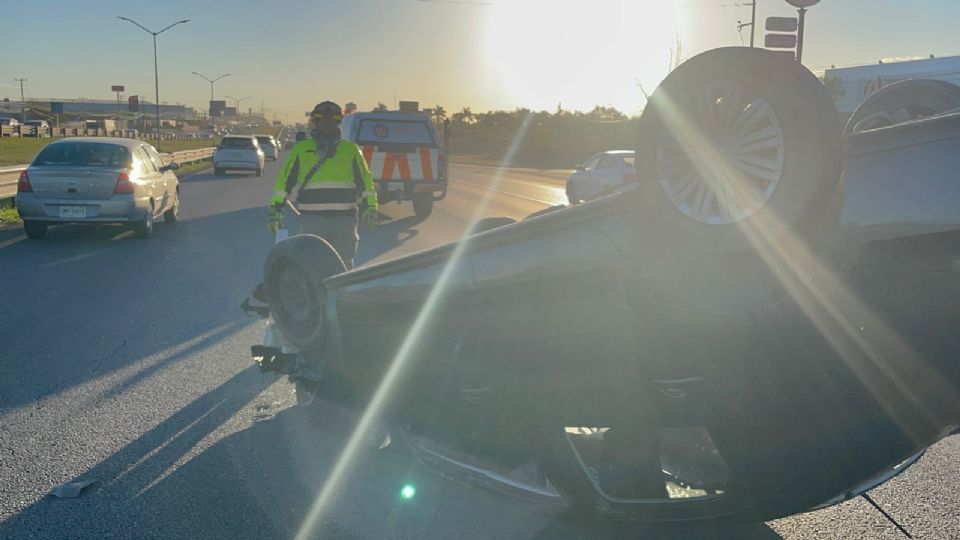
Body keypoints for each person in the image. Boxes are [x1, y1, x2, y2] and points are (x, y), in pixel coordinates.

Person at [268, 101, 379, 269]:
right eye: (323, 121)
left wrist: (371, 208)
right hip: (312, 219)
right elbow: (284, 182)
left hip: (343, 219)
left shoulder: (351, 150)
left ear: (337, 123)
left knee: (344, 264)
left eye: (331, 121)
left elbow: (365, 182)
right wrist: (275, 209)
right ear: (316, 123)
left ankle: (344, 295)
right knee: (309, 263)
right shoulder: (302, 150)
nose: (327, 125)